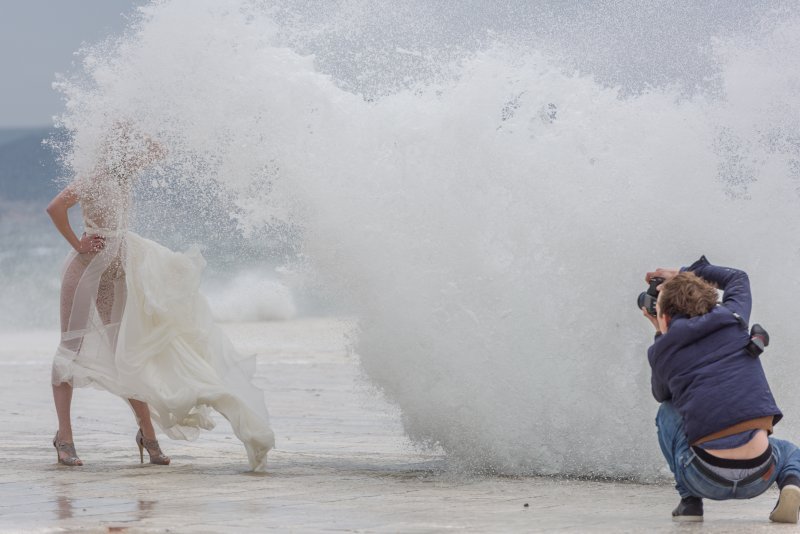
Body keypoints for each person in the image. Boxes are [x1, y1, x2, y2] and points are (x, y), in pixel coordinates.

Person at [46, 122, 274, 470]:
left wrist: (132, 129)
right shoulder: (92, 176)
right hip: (86, 267)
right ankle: (65, 437)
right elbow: (55, 208)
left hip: (117, 269)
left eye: (127, 145)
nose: (127, 151)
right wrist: (77, 243)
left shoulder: (125, 173)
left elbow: (159, 151)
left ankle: (147, 436)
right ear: (108, 149)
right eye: (119, 144)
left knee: (126, 353)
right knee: (70, 348)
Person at [642, 255, 800, 523]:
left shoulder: (662, 350)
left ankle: (689, 501)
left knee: (666, 412)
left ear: (665, 316)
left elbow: (662, 395)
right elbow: (738, 278)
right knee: (789, 451)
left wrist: (661, 335)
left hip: (704, 477)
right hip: (760, 474)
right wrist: (687, 271)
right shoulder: (734, 318)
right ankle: (791, 484)